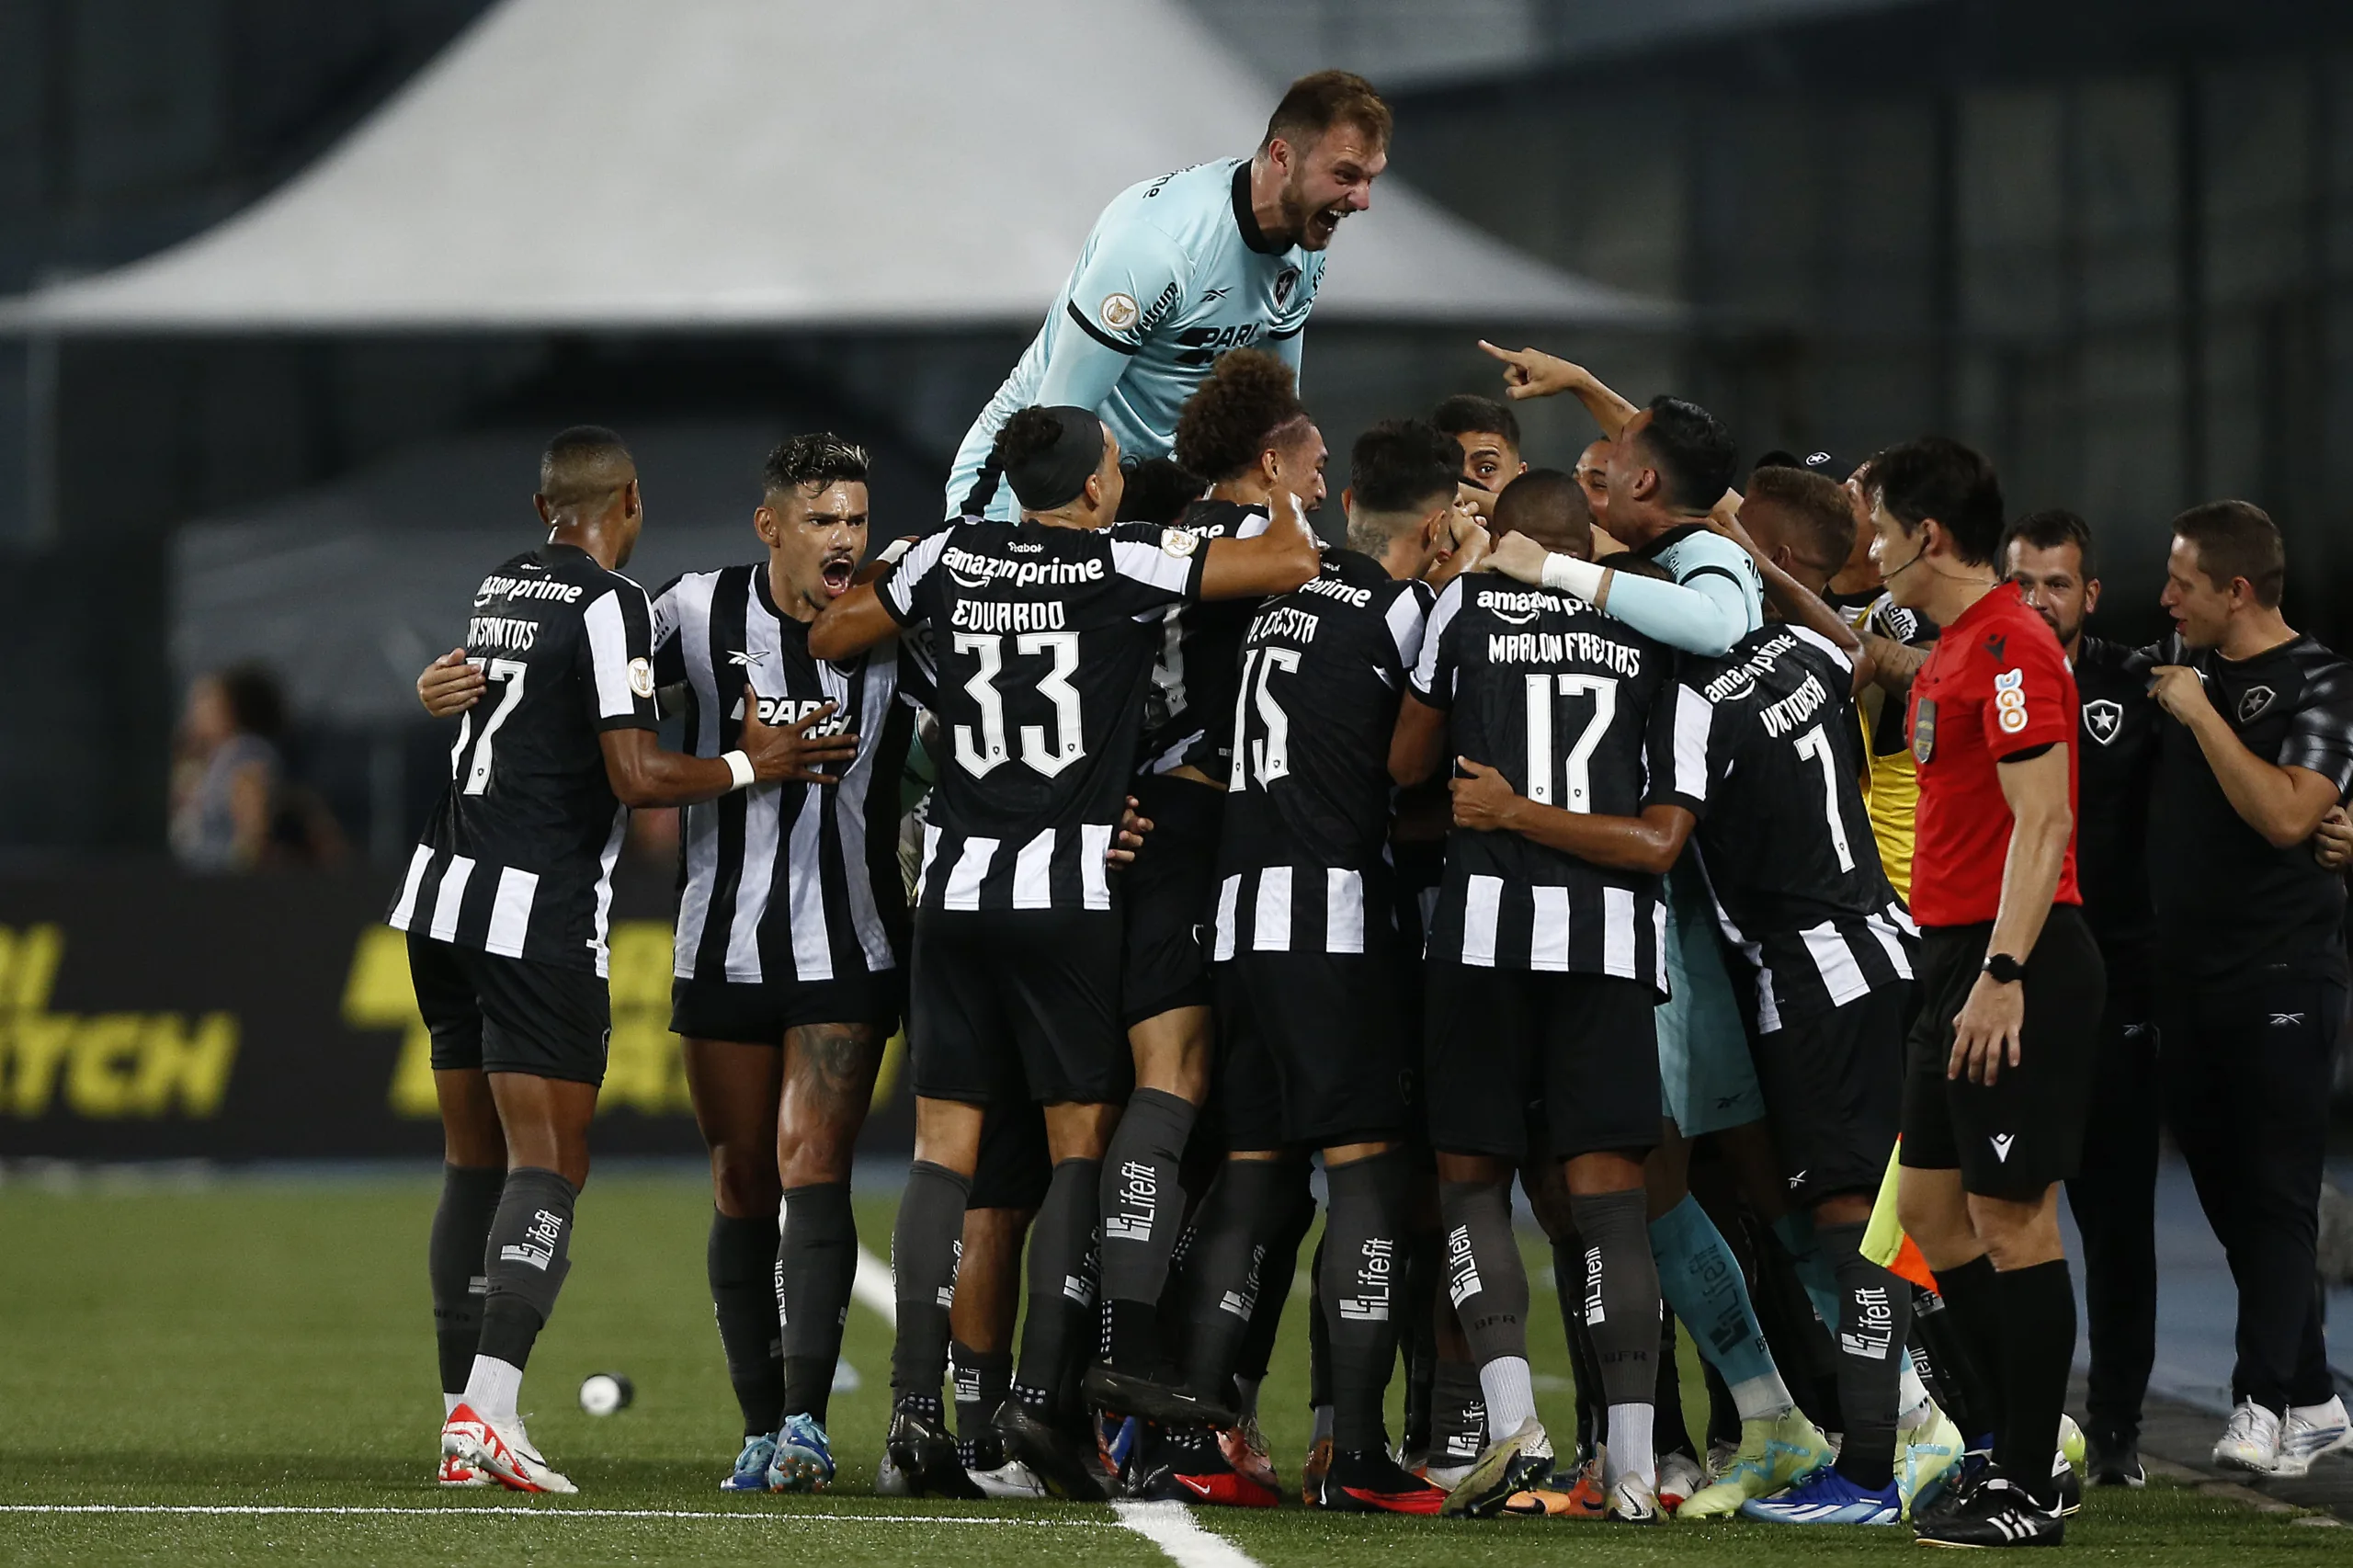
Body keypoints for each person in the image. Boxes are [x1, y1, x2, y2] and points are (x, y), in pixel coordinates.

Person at [807, 405, 1317, 1498]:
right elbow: (1289, 559)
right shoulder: (1119, 560)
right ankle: (1040, 1400)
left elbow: (831, 635)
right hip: (1067, 892)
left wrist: (904, 573)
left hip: (953, 891)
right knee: (1077, 1145)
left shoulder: (947, 555)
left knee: (944, 1151)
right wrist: (1277, 481)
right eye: (1115, 464)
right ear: (1090, 487)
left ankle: (912, 1419)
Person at [400, 427, 820, 1494]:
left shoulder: (503, 584)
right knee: (549, 1160)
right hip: (531, 905)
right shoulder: (611, 602)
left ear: (542, 508)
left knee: (473, 1160)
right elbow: (634, 775)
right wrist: (750, 761)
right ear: (628, 501)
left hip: (440, 891)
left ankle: (461, 1421)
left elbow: (500, 701)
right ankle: (490, 1409)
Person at [1478, 356, 1827, 1514]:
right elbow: (1672, 465)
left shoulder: (1700, 567)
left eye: (1599, 476)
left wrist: (1553, 569)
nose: (1582, 497)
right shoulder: (1655, 561)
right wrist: (1584, 387)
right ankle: (1778, 1413)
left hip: (1732, 931)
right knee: (1677, 1179)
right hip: (1687, 931)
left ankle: (1921, 1407)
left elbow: (1718, 613)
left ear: (1639, 485)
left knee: (1784, 1186)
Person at [1154, 420, 1477, 1514]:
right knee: (1366, 1174)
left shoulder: (1281, 595)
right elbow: (1410, 764)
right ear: (1441, 522)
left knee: (1253, 1172)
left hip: (1239, 921)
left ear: (1349, 509)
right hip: (1330, 922)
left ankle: (1199, 1436)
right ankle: (1356, 1452)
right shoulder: (1408, 611)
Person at [1392, 514, 1708, 1527]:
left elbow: (1405, 761)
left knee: (1471, 1185)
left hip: (1480, 943)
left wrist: (1506, 804)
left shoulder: (1466, 604)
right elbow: (1662, 839)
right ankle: (1632, 1468)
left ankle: (1514, 1429)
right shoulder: (1660, 633)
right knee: (1610, 1205)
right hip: (1608, 952)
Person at [1868, 437, 2099, 1548]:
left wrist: (2004, 973)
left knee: (2012, 1220)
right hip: (1954, 959)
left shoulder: (2011, 643)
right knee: (1928, 1214)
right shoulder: (1960, 645)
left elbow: (2043, 822)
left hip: (2018, 960)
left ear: (1927, 534)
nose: (1871, 547)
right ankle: (2013, 1451)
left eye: (1880, 528)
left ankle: (2026, 1483)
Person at [1089, 348, 1329, 1419]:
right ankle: (1132, 1350)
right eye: (1310, 456)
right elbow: (1299, 564)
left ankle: (1145, 1364)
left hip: (1160, 825)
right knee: (1185, 1084)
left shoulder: (1152, 540)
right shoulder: (1254, 545)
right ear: (1270, 458)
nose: (1322, 476)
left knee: (1208, 1109)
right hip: (1204, 830)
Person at [2144, 501, 2353, 1478]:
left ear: (2235, 590)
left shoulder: (2322, 681)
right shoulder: (2169, 666)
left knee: (2274, 1193)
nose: (2164, 596)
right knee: (2233, 1198)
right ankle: (2314, 1394)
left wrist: (2201, 714)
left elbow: (2284, 817)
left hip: (2283, 971)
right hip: (2184, 977)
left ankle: (2260, 1399)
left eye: (2181, 581)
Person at [943, 72, 1389, 517]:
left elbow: (1276, 417)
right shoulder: (1161, 245)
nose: (1363, 200)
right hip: (1026, 481)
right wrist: (1028, 546)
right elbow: (1058, 423)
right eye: (1345, 175)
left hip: (1147, 493)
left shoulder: (1305, 249)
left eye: (1370, 179)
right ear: (1282, 156)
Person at [2005, 509, 2162, 1488]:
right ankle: (2009, 1414)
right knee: (1999, 1203)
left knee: (2116, 1212)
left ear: (2090, 594)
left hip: (2119, 980)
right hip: (2010, 977)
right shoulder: (1984, 671)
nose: (2037, 601)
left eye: (2056, 584)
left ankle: (2114, 1429)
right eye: (2022, 583)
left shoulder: (2139, 686)